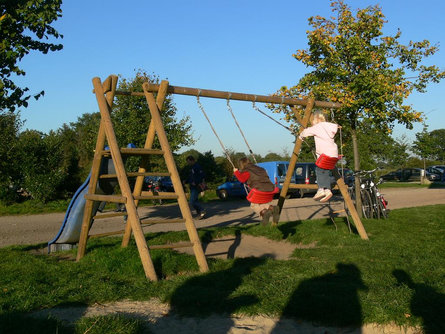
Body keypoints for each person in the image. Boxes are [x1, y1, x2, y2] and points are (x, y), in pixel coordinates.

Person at [299, 110, 339, 202]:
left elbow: (306, 132)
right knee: (325, 172)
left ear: (316, 119)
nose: (312, 123)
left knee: (319, 170)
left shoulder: (318, 127)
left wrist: (301, 136)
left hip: (325, 154)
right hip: (334, 155)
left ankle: (321, 189)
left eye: (312, 120)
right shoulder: (329, 127)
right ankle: (328, 190)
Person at [233, 157, 279, 225]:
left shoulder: (247, 170)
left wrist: (236, 172)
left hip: (259, 190)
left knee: (253, 205)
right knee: (260, 203)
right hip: (270, 188)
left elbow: (242, 179)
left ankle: (264, 213)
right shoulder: (260, 169)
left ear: (241, 165)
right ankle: (272, 208)